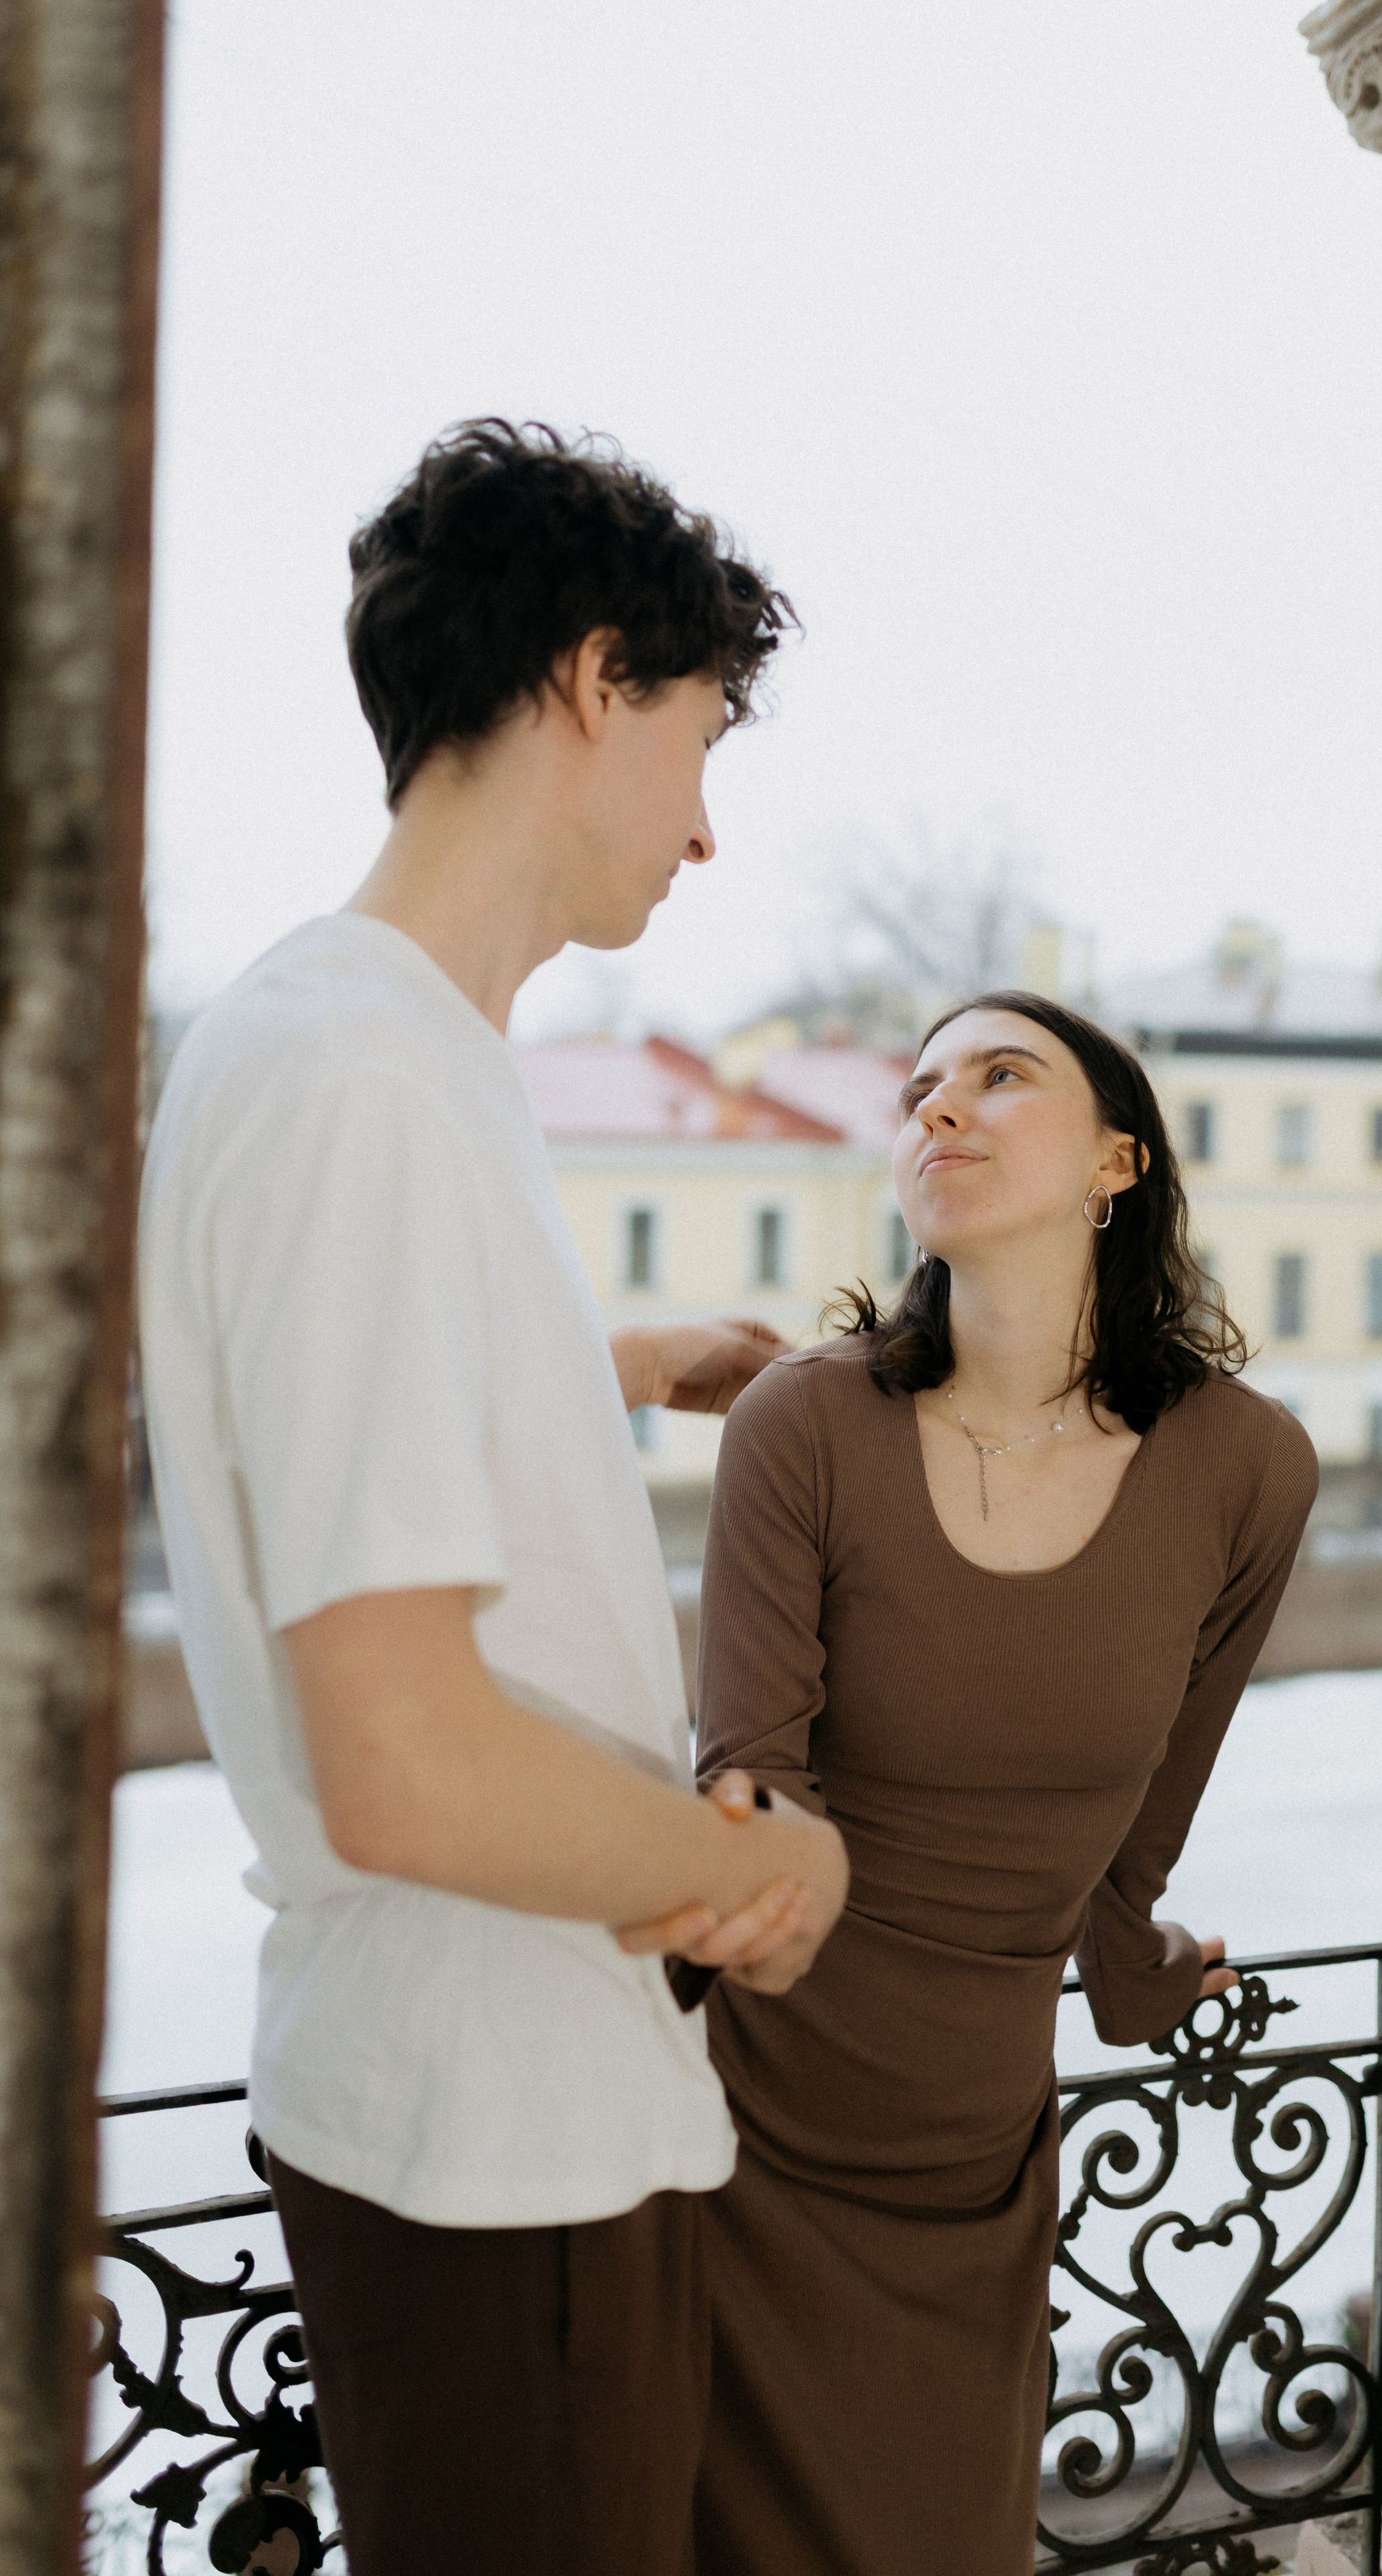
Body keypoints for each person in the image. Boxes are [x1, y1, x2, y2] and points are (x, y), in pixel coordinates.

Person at [136, 419, 849, 2576]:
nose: (708, 832)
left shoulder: (372, 1050)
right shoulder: (364, 1084)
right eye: (702, 738)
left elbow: (344, 1412)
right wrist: (761, 1872)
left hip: (489, 2122)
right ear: (587, 679)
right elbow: (407, 1765)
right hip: (498, 2145)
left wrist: (615, 1368)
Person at [689, 991, 1319, 2575]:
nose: (938, 1110)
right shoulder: (803, 1426)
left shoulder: (1247, 1469)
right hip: (734, 2149)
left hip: (974, 2176)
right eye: (915, 1093)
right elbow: (745, 1795)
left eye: (997, 1076)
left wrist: (1146, 1973)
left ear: (1118, 1159)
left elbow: (1135, 1851)